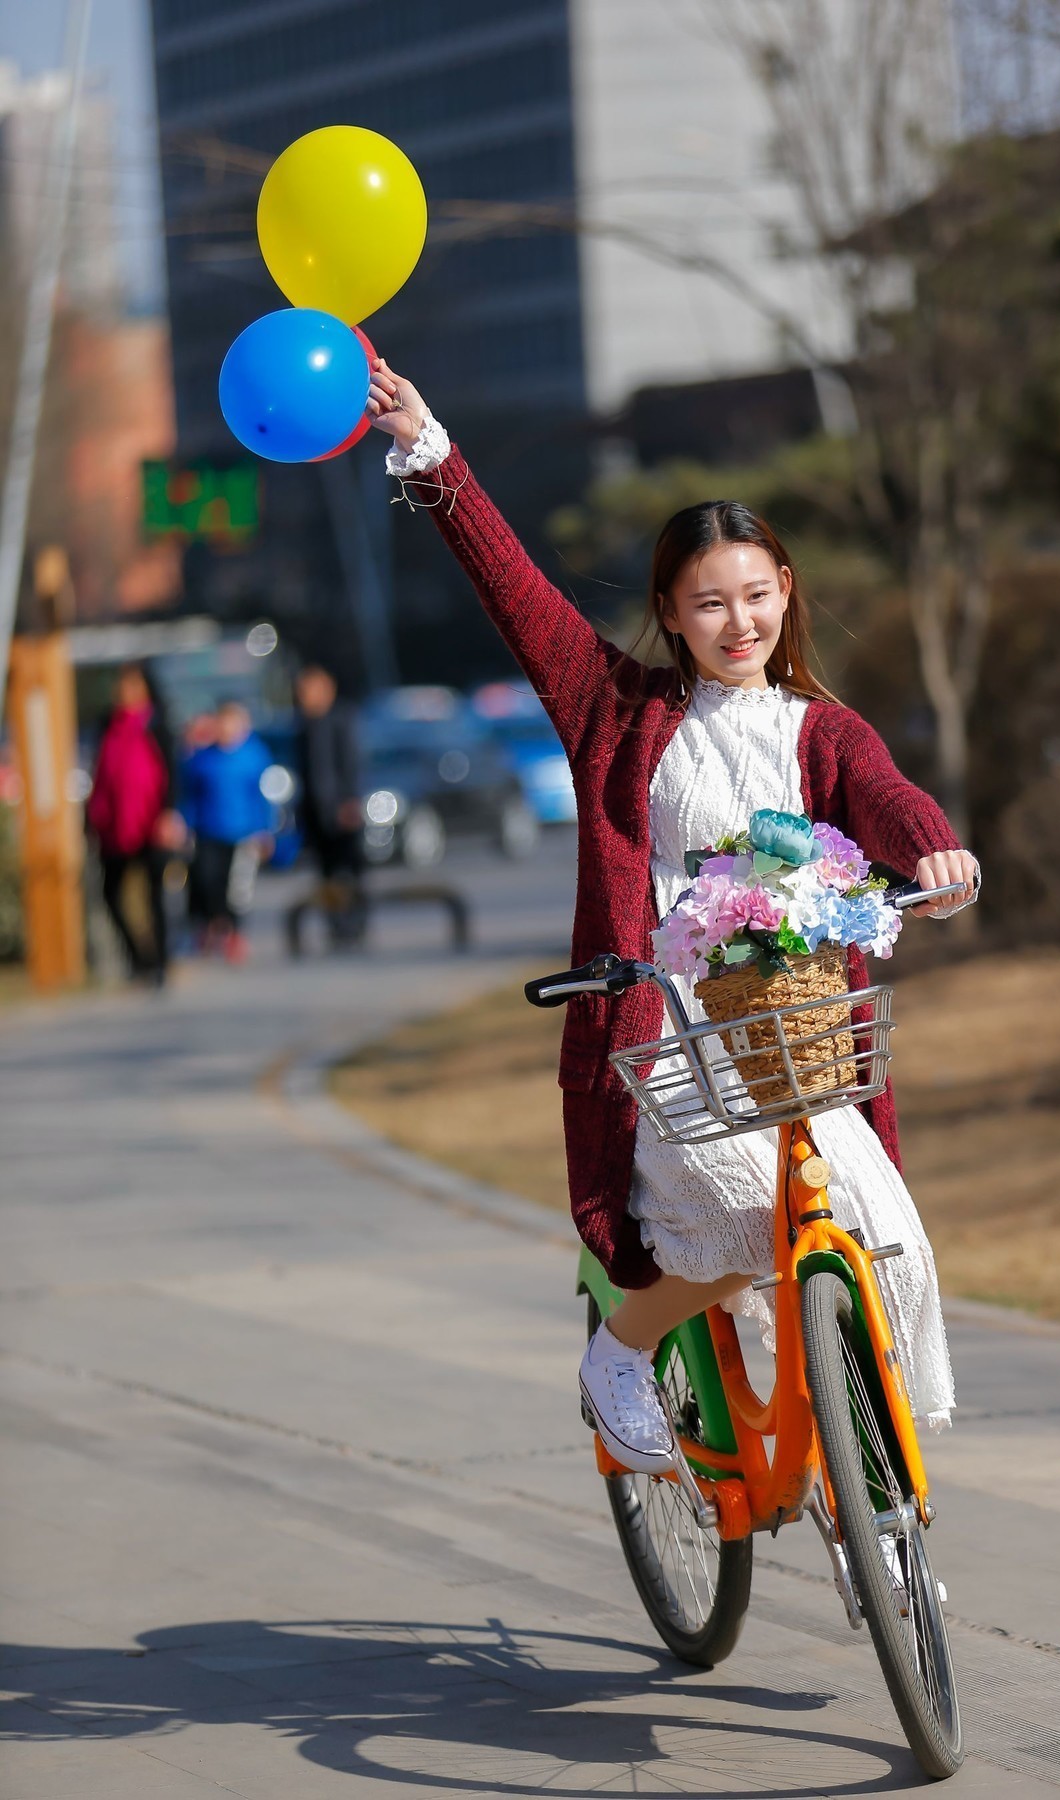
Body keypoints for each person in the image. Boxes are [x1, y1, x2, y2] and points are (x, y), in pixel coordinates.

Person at [367, 357, 980, 1476]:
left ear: (786, 590)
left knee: (883, 1232)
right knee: (747, 1215)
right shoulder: (618, 710)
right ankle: (623, 1349)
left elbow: (887, 796)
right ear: (671, 615)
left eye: (755, 593)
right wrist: (432, 450)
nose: (736, 620)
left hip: (793, 1035)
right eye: (708, 601)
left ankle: (869, 1487)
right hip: (669, 1040)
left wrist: (931, 845)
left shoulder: (819, 730)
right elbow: (515, 589)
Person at [86, 662, 182, 985]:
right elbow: (100, 774)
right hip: (115, 825)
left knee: (156, 896)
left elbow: (172, 772)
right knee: (110, 893)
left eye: (132, 686)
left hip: (151, 823)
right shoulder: (108, 726)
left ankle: (161, 963)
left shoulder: (158, 725)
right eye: (121, 686)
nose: (125, 693)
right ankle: (139, 958)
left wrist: (168, 813)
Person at [180, 699, 272, 962]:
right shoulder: (202, 758)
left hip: (244, 834)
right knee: (208, 880)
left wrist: (264, 831)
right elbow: (190, 796)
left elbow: (262, 797)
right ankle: (213, 924)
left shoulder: (254, 756)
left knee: (238, 890)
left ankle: (235, 934)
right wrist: (187, 825)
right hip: (209, 832)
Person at [293, 664, 365, 943]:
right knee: (325, 872)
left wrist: (349, 801)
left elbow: (350, 764)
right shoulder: (304, 726)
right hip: (316, 812)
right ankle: (335, 925)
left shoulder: (341, 719)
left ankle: (354, 924)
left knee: (349, 872)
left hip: (342, 810)